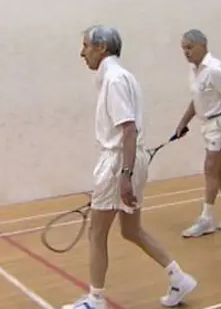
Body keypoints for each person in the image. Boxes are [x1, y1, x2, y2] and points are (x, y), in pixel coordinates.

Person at [62, 25, 197, 309]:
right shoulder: (122, 77)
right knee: (131, 230)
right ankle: (179, 278)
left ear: (103, 48)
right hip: (129, 160)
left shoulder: (113, 80)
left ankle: (95, 301)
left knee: (97, 233)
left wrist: (124, 175)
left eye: (86, 45)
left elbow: (128, 129)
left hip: (119, 162)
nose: (82, 52)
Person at [174, 29, 221, 238]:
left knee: (210, 168)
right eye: (183, 49)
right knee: (219, 170)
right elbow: (196, 100)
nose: (186, 52)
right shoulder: (194, 71)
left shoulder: (216, 69)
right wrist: (183, 122)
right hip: (206, 124)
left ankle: (206, 219)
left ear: (203, 46)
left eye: (189, 47)